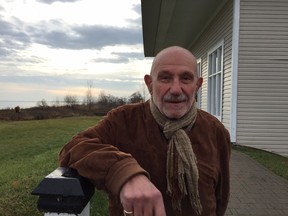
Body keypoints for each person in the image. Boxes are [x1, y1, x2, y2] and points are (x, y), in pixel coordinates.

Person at [59, 46, 231, 216]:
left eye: (186, 78)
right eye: (165, 78)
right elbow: (72, 148)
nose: (176, 89)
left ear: (198, 85)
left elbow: (220, 199)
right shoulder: (123, 120)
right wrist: (123, 172)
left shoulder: (216, 132)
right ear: (149, 84)